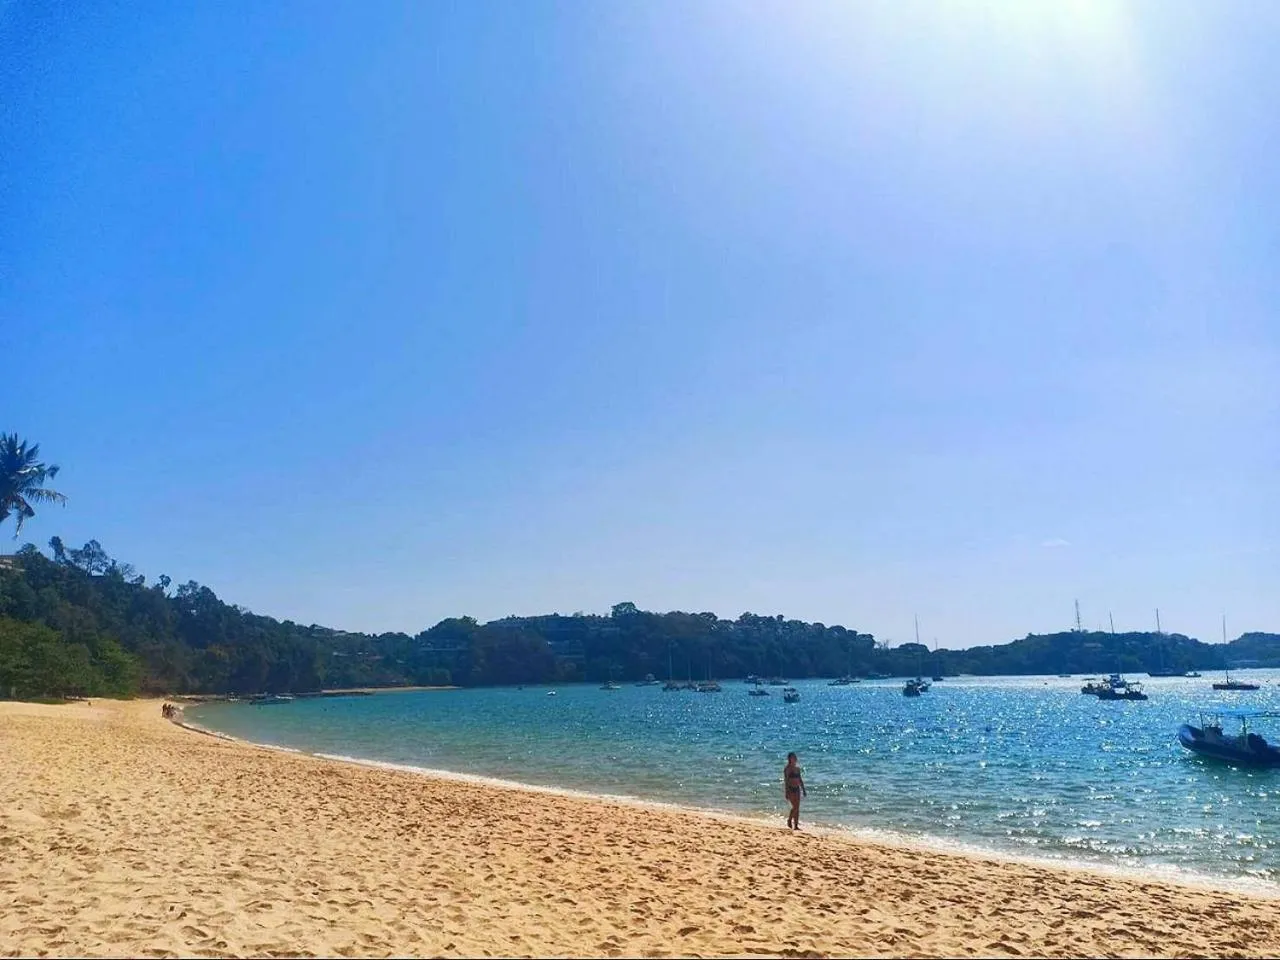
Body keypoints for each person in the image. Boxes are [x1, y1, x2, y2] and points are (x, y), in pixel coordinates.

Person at [783, 751, 806, 830]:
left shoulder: (797, 769)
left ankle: (796, 825)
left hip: (797, 789)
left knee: (797, 808)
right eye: (793, 757)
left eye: (795, 757)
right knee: (795, 807)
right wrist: (786, 792)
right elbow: (786, 781)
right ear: (790, 759)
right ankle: (789, 820)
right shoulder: (787, 769)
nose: (795, 758)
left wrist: (803, 789)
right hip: (791, 789)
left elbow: (800, 780)